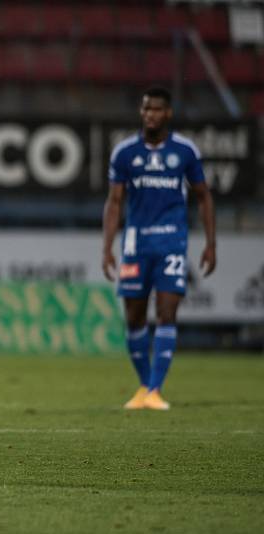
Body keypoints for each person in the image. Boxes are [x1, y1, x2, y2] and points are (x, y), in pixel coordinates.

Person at [102, 87, 216, 411]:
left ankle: (155, 389)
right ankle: (144, 388)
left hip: (171, 242)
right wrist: (107, 247)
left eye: (156, 109)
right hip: (136, 243)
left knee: (167, 312)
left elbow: (204, 196)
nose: (150, 114)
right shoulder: (124, 152)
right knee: (134, 317)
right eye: (145, 109)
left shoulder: (184, 151)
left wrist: (211, 244)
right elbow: (114, 201)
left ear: (168, 113)